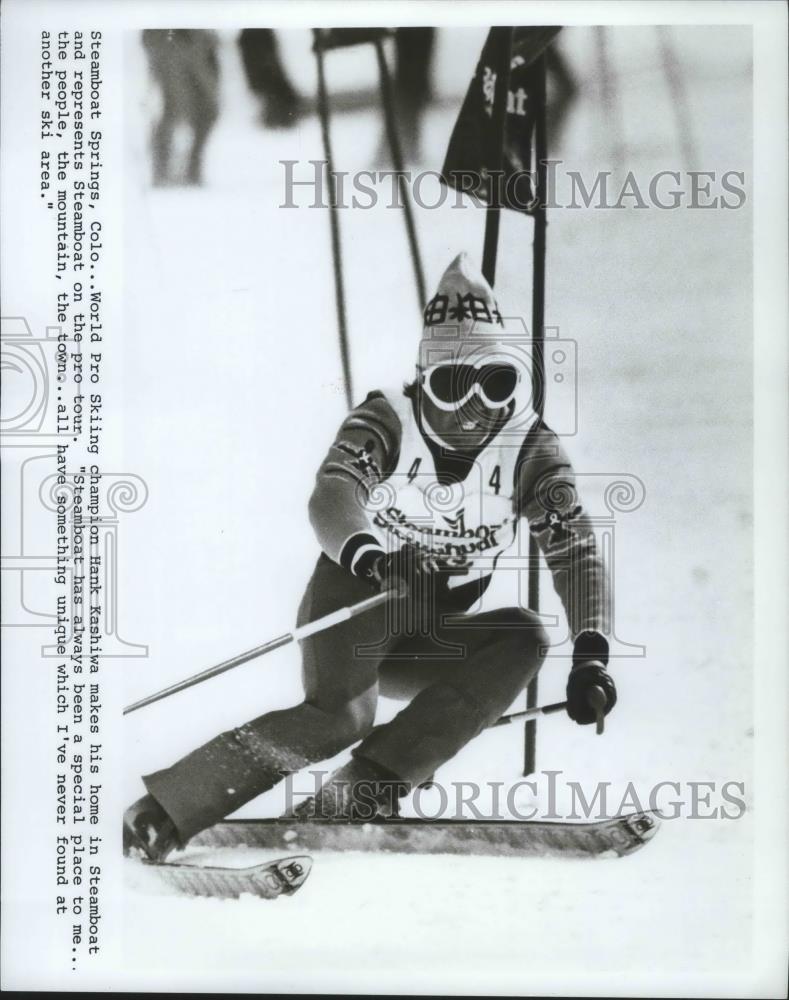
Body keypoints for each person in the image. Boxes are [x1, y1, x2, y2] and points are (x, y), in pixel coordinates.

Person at [124, 253, 616, 861]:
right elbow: (332, 494)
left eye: (496, 383)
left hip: (433, 624)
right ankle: (167, 809)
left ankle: (362, 790)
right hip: (361, 596)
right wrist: (375, 558)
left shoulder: (530, 445)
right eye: (454, 384)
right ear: (422, 381)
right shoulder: (386, 418)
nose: (476, 408)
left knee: (522, 637)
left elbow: (574, 546)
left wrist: (592, 655)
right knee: (338, 719)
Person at [142, 29, 220, 186]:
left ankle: (189, 170)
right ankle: (162, 171)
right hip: (170, 38)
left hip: (198, 40)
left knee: (209, 109)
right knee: (174, 107)